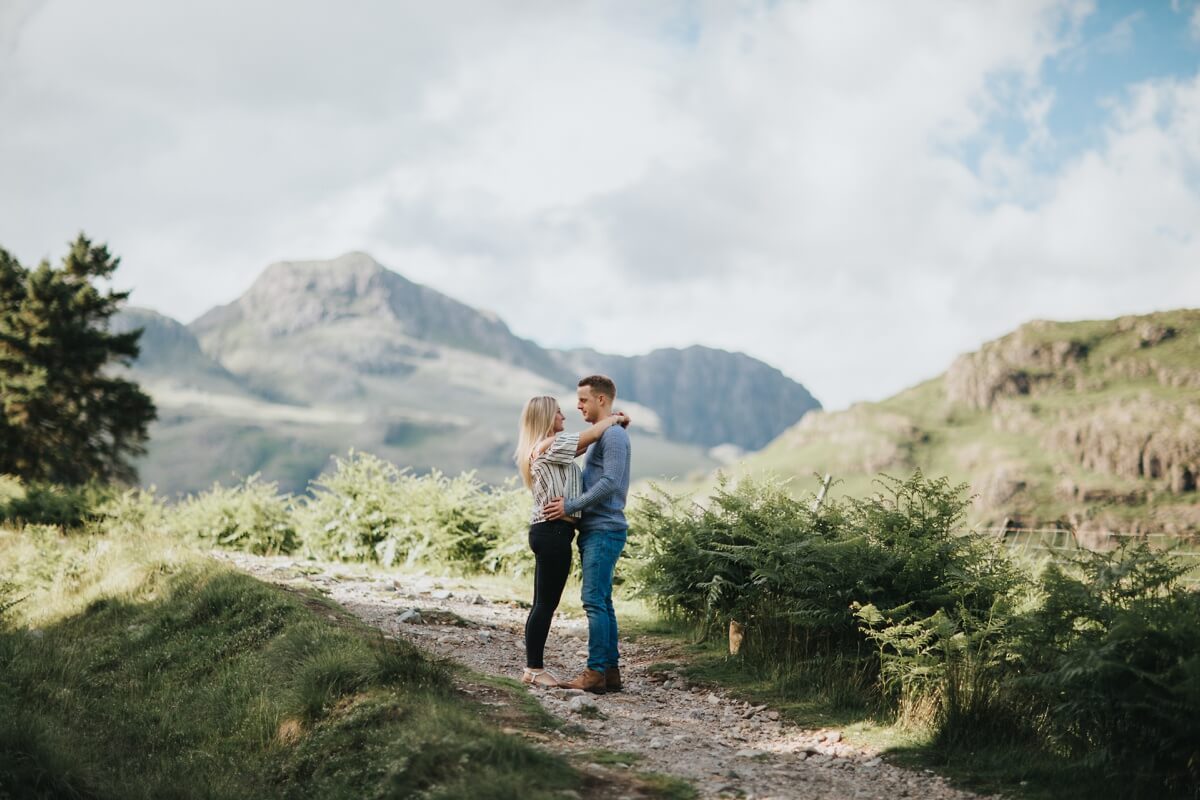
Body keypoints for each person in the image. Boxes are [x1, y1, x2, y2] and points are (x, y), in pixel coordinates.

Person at [514, 395, 628, 688]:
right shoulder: (548, 445)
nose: (565, 416)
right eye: (559, 412)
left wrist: (612, 422)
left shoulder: (551, 448)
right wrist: (614, 420)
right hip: (552, 532)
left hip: (551, 532)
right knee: (544, 604)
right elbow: (589, 436)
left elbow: (586, 444)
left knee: (544, 603)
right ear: (546, 418)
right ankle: (534, 669)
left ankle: (534, 668)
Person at [543, 374, 631, 695]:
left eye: (583, 400)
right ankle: (609, 671)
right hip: (598, 528)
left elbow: (609, 483)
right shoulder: (604, 433)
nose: (577, 405)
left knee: (593, 601)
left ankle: (594, 673)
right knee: (602, 601)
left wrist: (571, 505)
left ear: (601, 400)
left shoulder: (614, 438)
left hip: (605, 528)